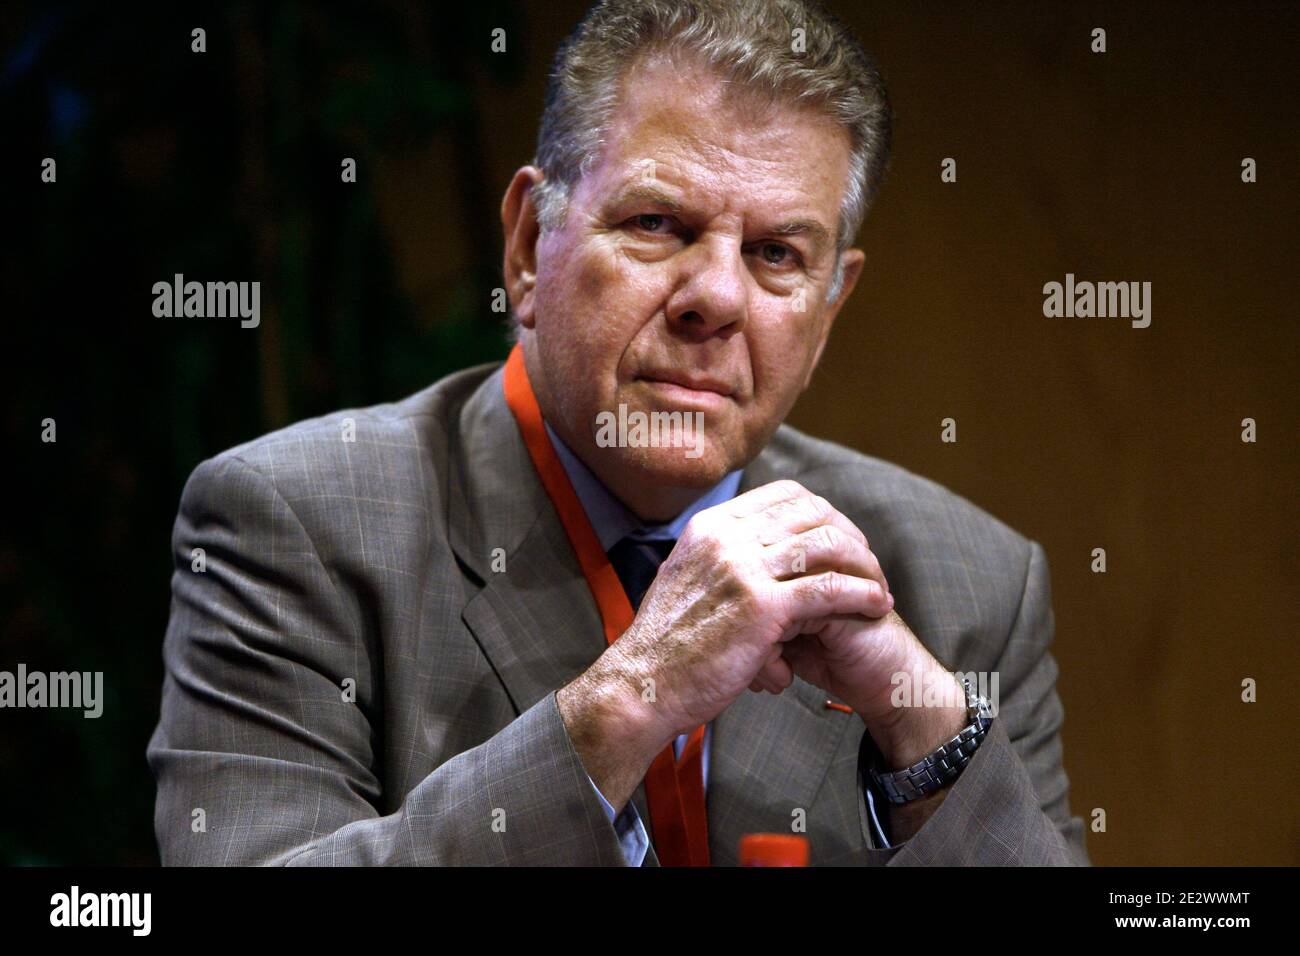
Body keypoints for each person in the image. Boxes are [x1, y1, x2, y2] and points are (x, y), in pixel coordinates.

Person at [147, 0, 1088, 866]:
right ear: (526, 247)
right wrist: (627, 702)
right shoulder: (302, 525)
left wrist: (921, 731)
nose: (716, 299)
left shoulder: (969, 583)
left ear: (830, 306)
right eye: (657, 223)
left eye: (775, 255)